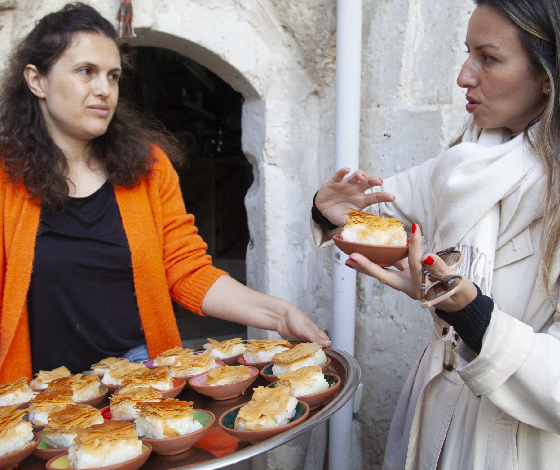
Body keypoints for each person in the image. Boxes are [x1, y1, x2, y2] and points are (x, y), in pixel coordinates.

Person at [0, 2, 329, 382]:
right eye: (85, 71)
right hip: (38, 394)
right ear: (36, 80)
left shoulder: (147, 167)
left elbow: (186, 270)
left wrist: (278, 314)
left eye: (112, 76)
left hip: (139, 377)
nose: (103, 89)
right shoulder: (7, 180)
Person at [312, 0, 560, 468]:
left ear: (547, 76)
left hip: (512, 445)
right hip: (432, 419)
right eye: (468, 54)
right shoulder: (464, 161)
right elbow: (380, 205)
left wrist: (473, 315)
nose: (464, 76)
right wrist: (331, 209)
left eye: (488, 57)